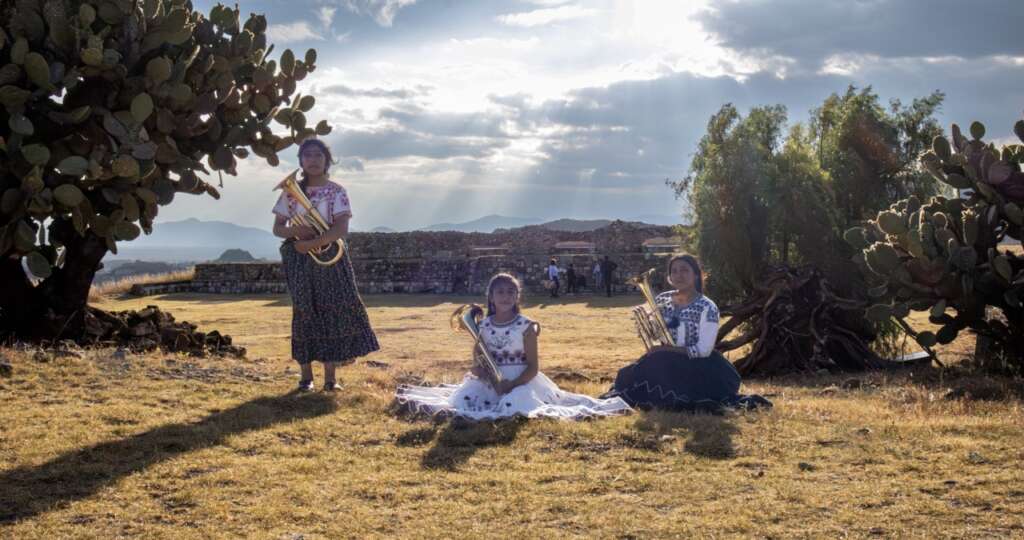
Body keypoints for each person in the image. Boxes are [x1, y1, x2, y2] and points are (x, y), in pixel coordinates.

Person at [396, 273, 632, 420]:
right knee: (466, 400)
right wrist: (482, 374)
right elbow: (477, 363)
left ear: (517, 297)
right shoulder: (482, 326)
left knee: (516, 404)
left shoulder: (526, 326)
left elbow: (533, 367)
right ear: (491, 297)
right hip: (491, 382)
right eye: (500, 292)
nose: (505, 296)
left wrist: (511, 385)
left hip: (522, 381)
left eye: (511, 292)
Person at [272, 139, 380, 392]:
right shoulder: (289, 192)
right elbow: (278, 228)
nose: (313, 160)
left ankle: (331, 379)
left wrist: (315, 242)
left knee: (332, 311)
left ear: (327, 160)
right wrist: (297, 231)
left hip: (329, 254)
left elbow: (341, 228)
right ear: (301, 161)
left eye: (318, 155)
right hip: (299, 256)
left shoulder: (337, 191)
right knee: (304, 312)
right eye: (308, 155)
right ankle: (306, 378)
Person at [604, 255, 771, 412]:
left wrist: (666, 350)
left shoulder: (707, 307)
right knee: (627, 377)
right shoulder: (662, 300)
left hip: (700, 365)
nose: (679, 275)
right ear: (669, 277)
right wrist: (647, 328)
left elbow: (703, 350)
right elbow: (657, 335)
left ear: (696, 275)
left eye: (684, 270)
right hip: (666, 360)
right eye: (674, 271)